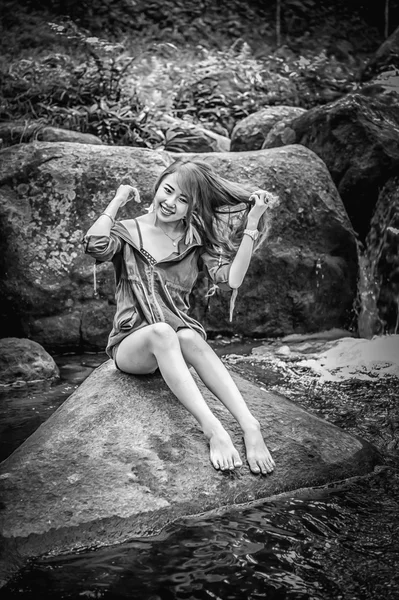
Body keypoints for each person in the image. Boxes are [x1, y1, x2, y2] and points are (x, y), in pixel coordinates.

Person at [84, 157, 278, 475]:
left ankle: (249, 424)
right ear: (158, 186)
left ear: (192, 208)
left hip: (173, 344)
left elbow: (232, 279)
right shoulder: (128, 232)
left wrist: (252, 225)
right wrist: (118, 200)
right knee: (162, 331)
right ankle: (212, 428)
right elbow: (95, 244)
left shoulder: (194, 239)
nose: (171, 203)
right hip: (132, 348)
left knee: (188, 334)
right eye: (168, 191)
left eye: (183, 199)